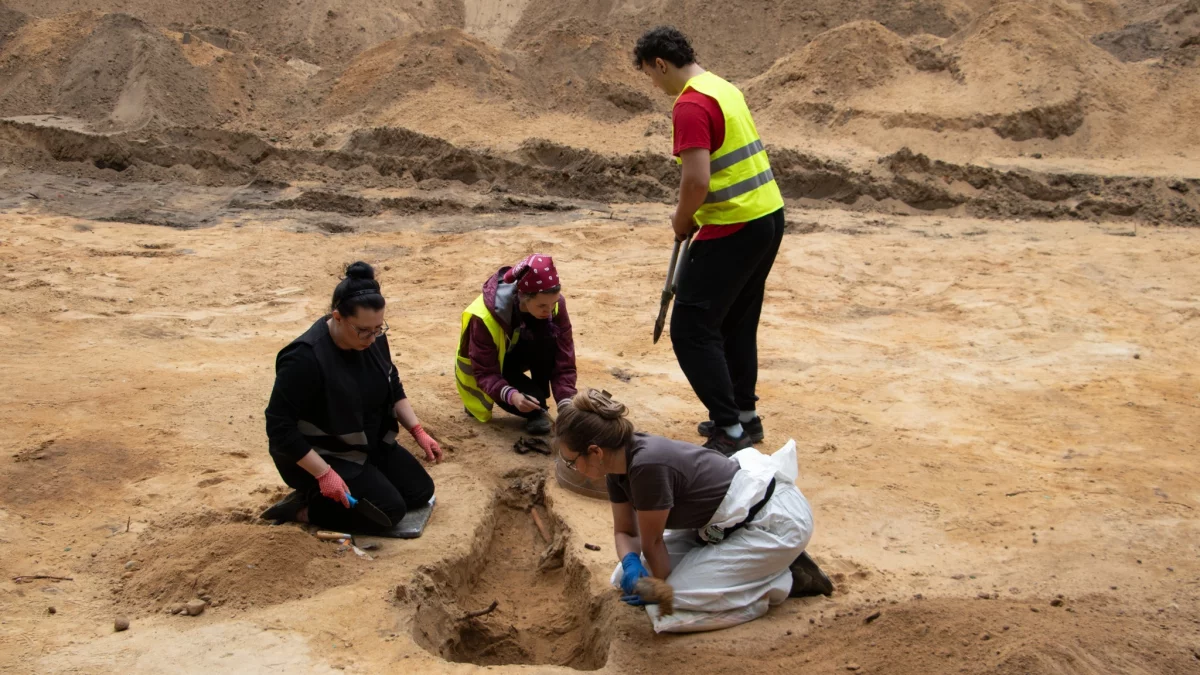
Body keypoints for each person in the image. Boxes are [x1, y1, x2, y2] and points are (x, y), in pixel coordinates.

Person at [554, 389, 832, 634]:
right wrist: (630, 562)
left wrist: (660, 590)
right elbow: (626, 531)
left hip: (773, 522)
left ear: (595, 452)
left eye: (571, 461)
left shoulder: (646, 467)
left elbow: (653, 544)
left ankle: (781, 578)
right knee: (621, 578)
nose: (572, 468)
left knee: (669, 610)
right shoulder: (616, 467)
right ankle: (753, 570)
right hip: (722, 526)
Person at [634, 26, 787, 455]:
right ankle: (745, 416)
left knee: (691, 329)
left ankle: (730, 431)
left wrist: (682, 218)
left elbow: (696, 180)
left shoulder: (690, 105)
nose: (654, 84)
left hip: (732, 225)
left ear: (660, 64)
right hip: (767, 216)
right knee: (737, 321)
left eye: (650, 74)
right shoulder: (722, 87)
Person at [262, 261, 441, 532]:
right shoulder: (304, 358)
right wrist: (324, 473)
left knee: (419, 492)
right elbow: (279, 429)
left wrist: (418, 431)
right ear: (337, 317)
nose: (372, 338)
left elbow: (393, 385)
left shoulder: (372, 339)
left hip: (364, 443)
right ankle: (304, 508)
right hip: (322, 453)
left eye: (378, 328)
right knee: (388, 511)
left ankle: (357, 484)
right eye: (363, 330)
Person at [455, 253, 577, 435]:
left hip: (520, 350)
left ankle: (537, 397)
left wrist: (566, 402)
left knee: (550, 339)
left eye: (553, 304)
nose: (549, 310)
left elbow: (564, 357)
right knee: (531, 402)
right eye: (542, 306)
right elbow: (484, 371)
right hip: (494, 364)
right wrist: (512, 396)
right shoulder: (483, 317)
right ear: (523, 296)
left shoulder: (555, 304)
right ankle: (535, 405)